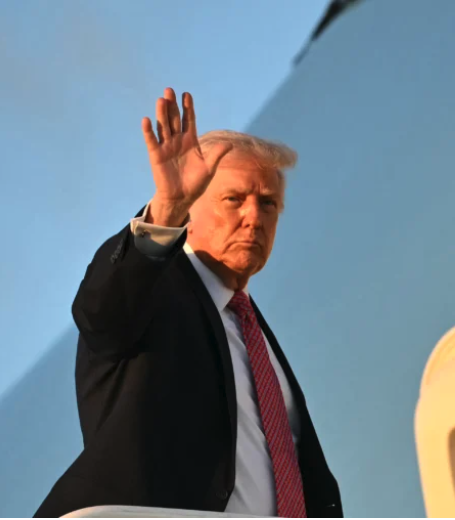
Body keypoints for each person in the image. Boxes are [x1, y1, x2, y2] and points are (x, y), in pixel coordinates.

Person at [34, 88, 342, 518]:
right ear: (190, 209)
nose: (254, 216)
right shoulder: (153, 290)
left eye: (268, 203)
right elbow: (101, 314)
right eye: (234, 199)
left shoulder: (255, 334)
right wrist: (165, 211)